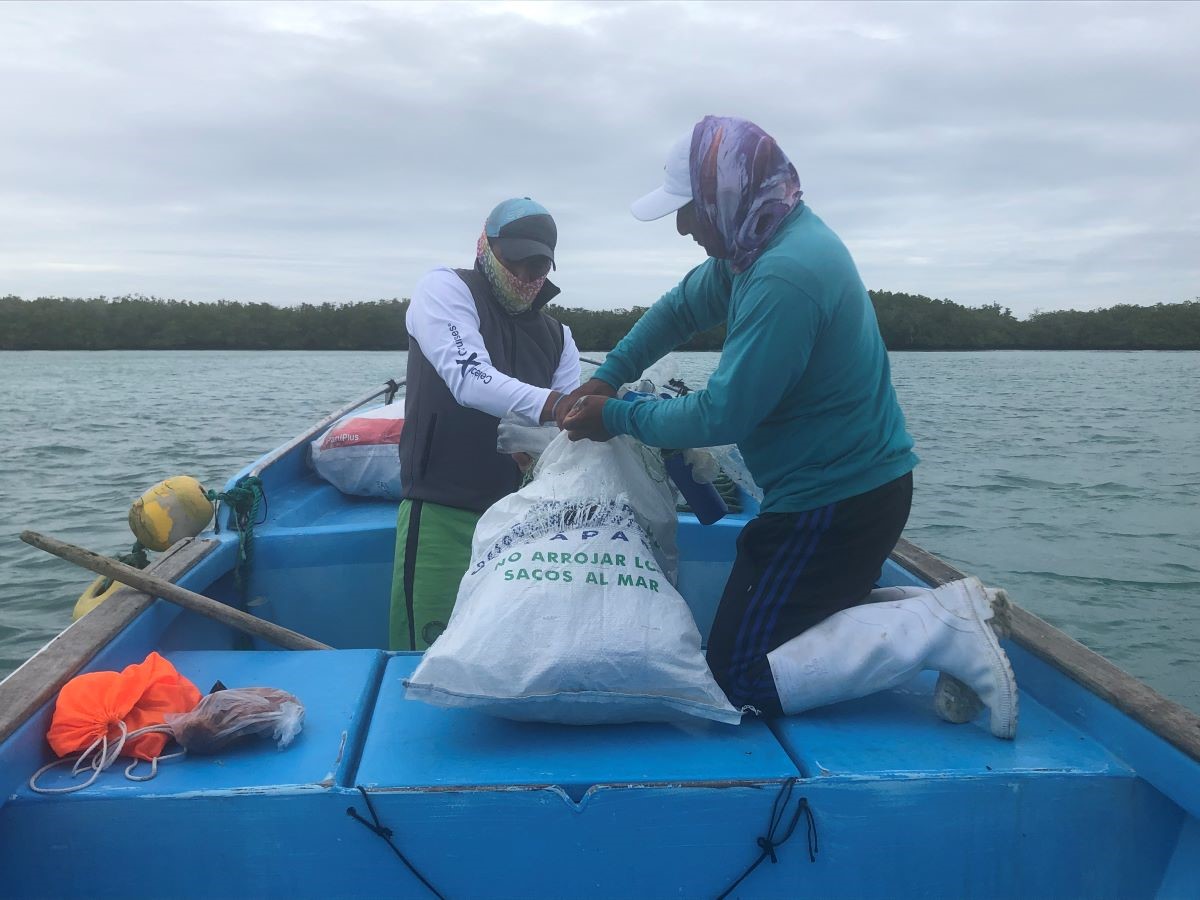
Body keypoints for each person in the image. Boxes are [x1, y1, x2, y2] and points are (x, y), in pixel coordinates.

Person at [562, 116, 1017, 738]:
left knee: (739, 679)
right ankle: (943, 614)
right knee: (775, 635)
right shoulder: (754, 245)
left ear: (725, 197)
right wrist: (610, 374)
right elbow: (679, 309)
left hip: (835, 508)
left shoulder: (784, 273)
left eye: (690, 209)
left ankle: (938, 627)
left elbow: (720, 414)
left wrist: (614, 416)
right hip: (841, 497)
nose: (682, 226)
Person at [392, 198, 581, 651]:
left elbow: (562, 438)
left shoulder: (559, 336)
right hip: (443, 509)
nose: (524, 274)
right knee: (422, 652)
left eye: (537, 264)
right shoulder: (445, 288)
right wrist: (560, 407)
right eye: (512, 257)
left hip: (527, 522)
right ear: (485, 245)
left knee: (512, 651)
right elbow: (469, 379)